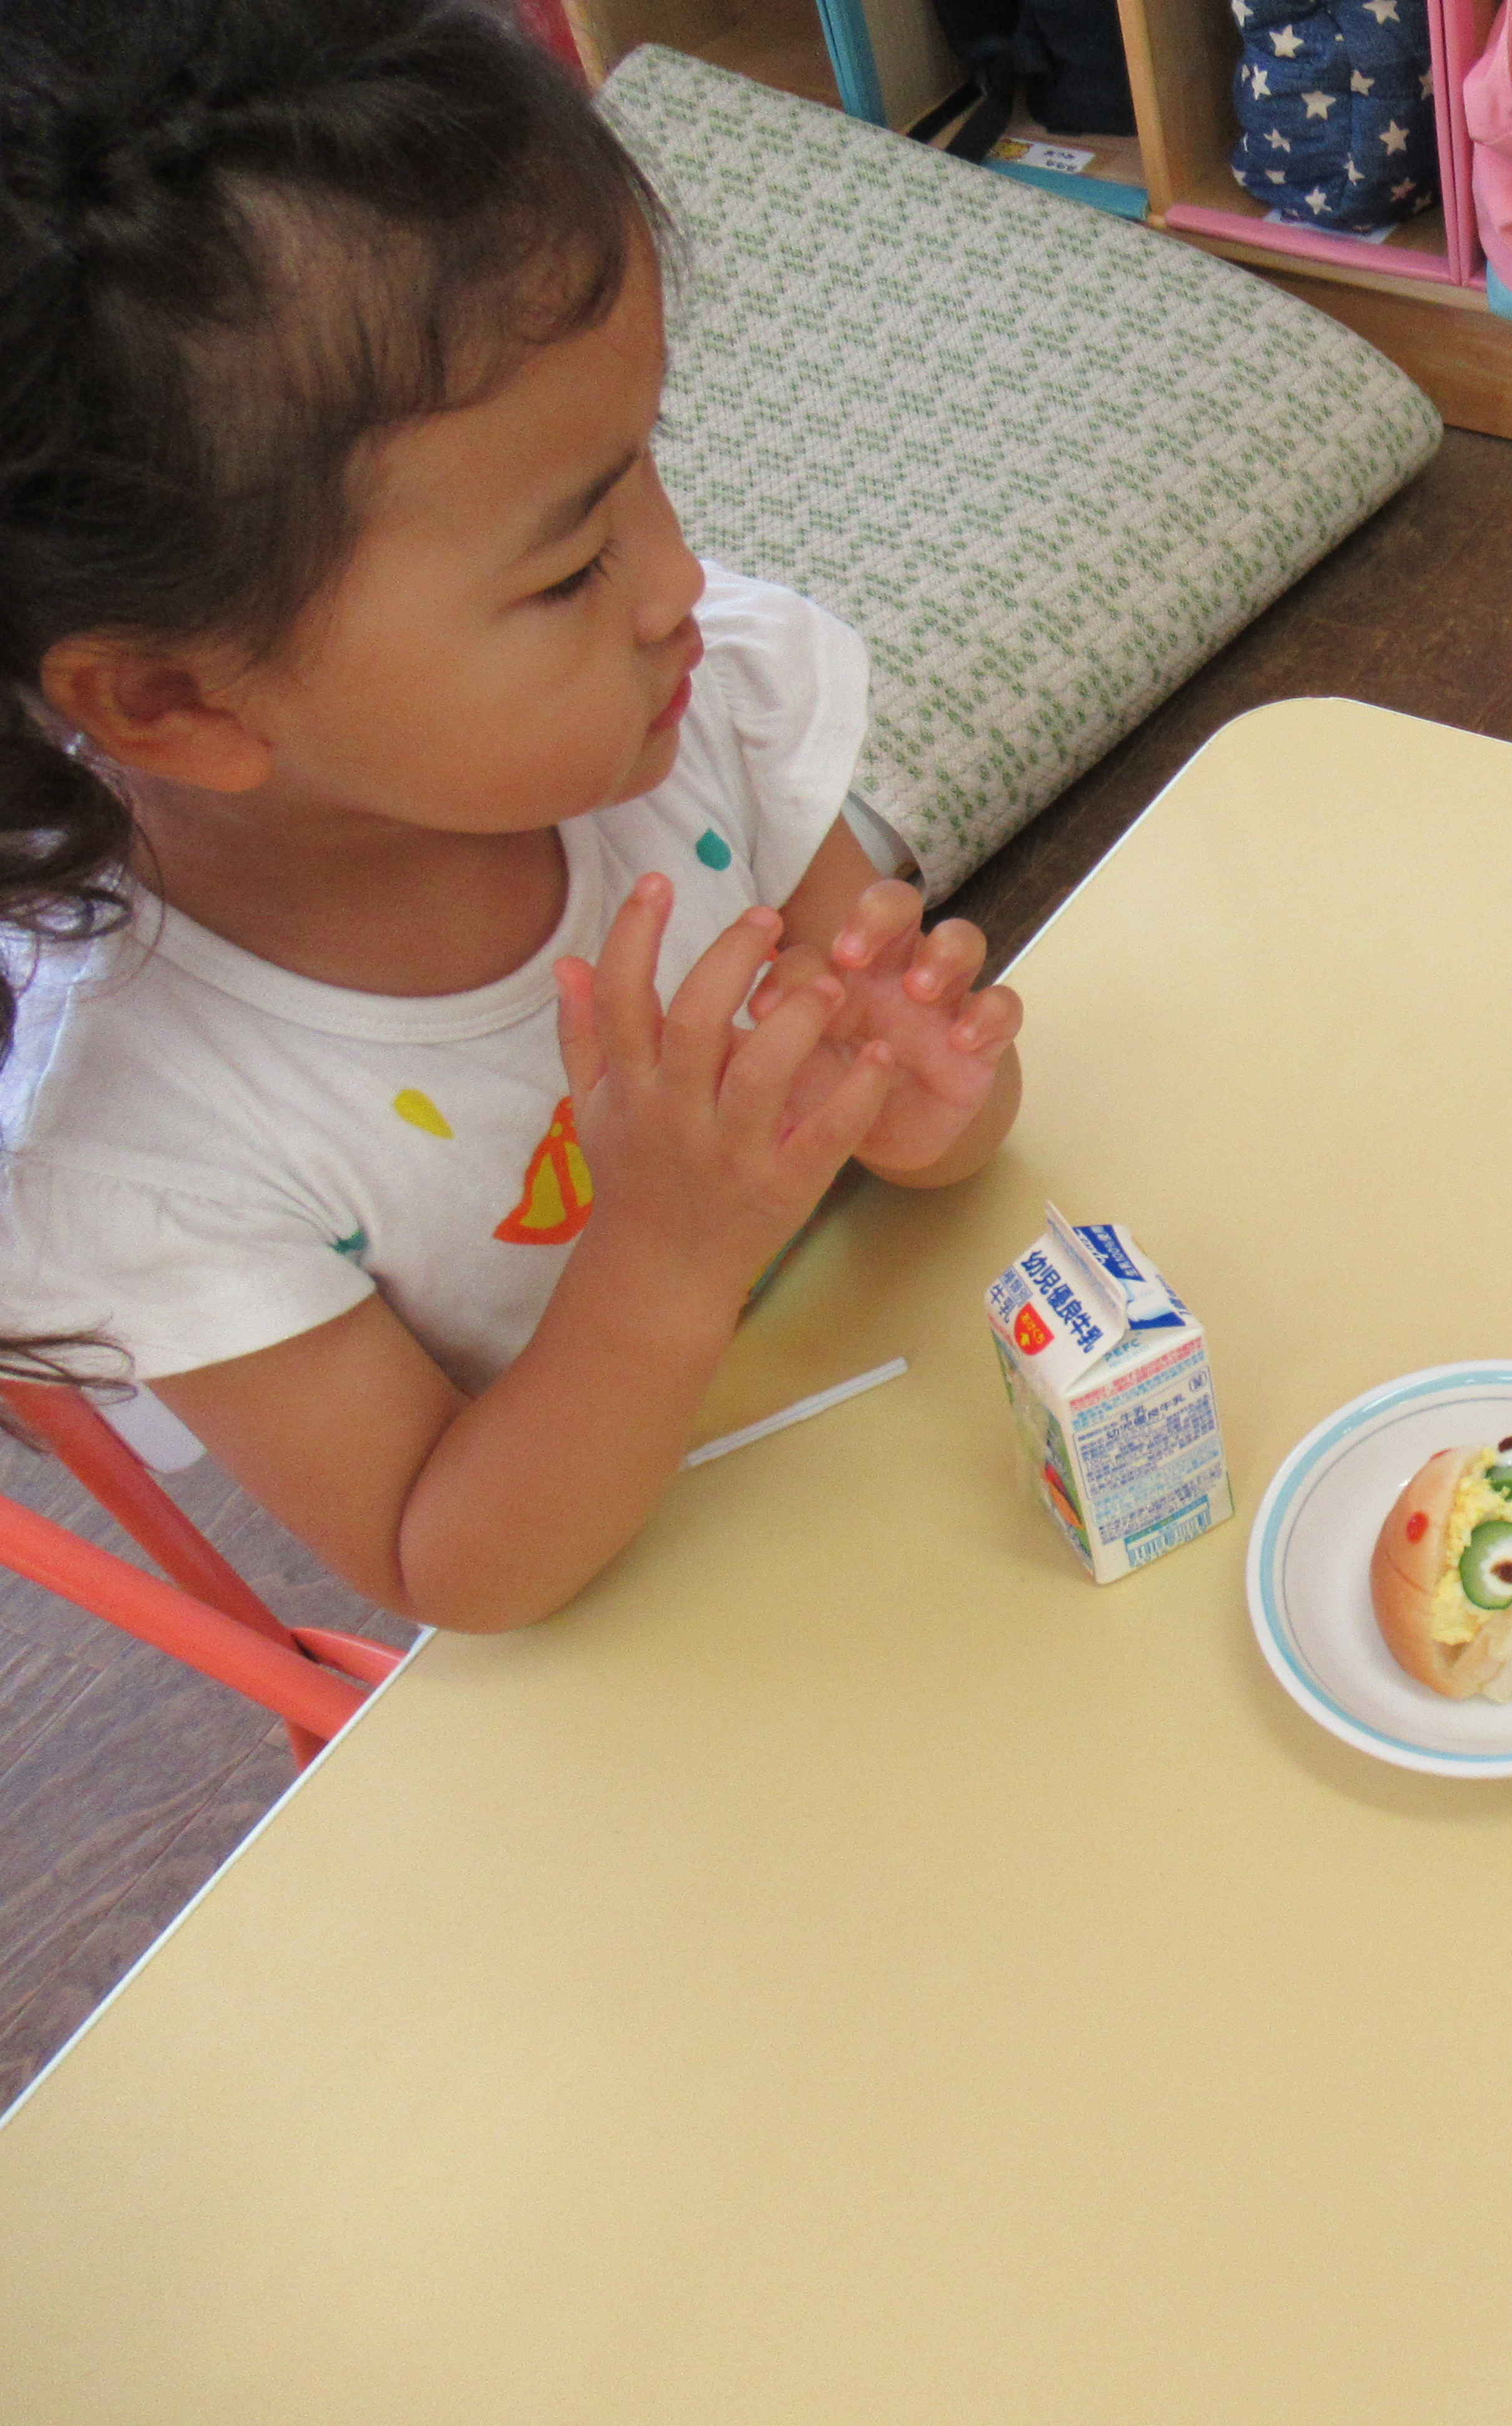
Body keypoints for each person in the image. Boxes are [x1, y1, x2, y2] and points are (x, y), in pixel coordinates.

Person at [0, 0, 1023, 1629]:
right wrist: (669, 1258)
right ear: (180, 704)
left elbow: (953, 1146)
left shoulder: (678, 730)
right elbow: (452, 1569)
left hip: (908, 1480)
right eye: (565, 566)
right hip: (652, 1622)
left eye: (646, 460)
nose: (683, 580)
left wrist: (924, 1091)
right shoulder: (153, 1148)